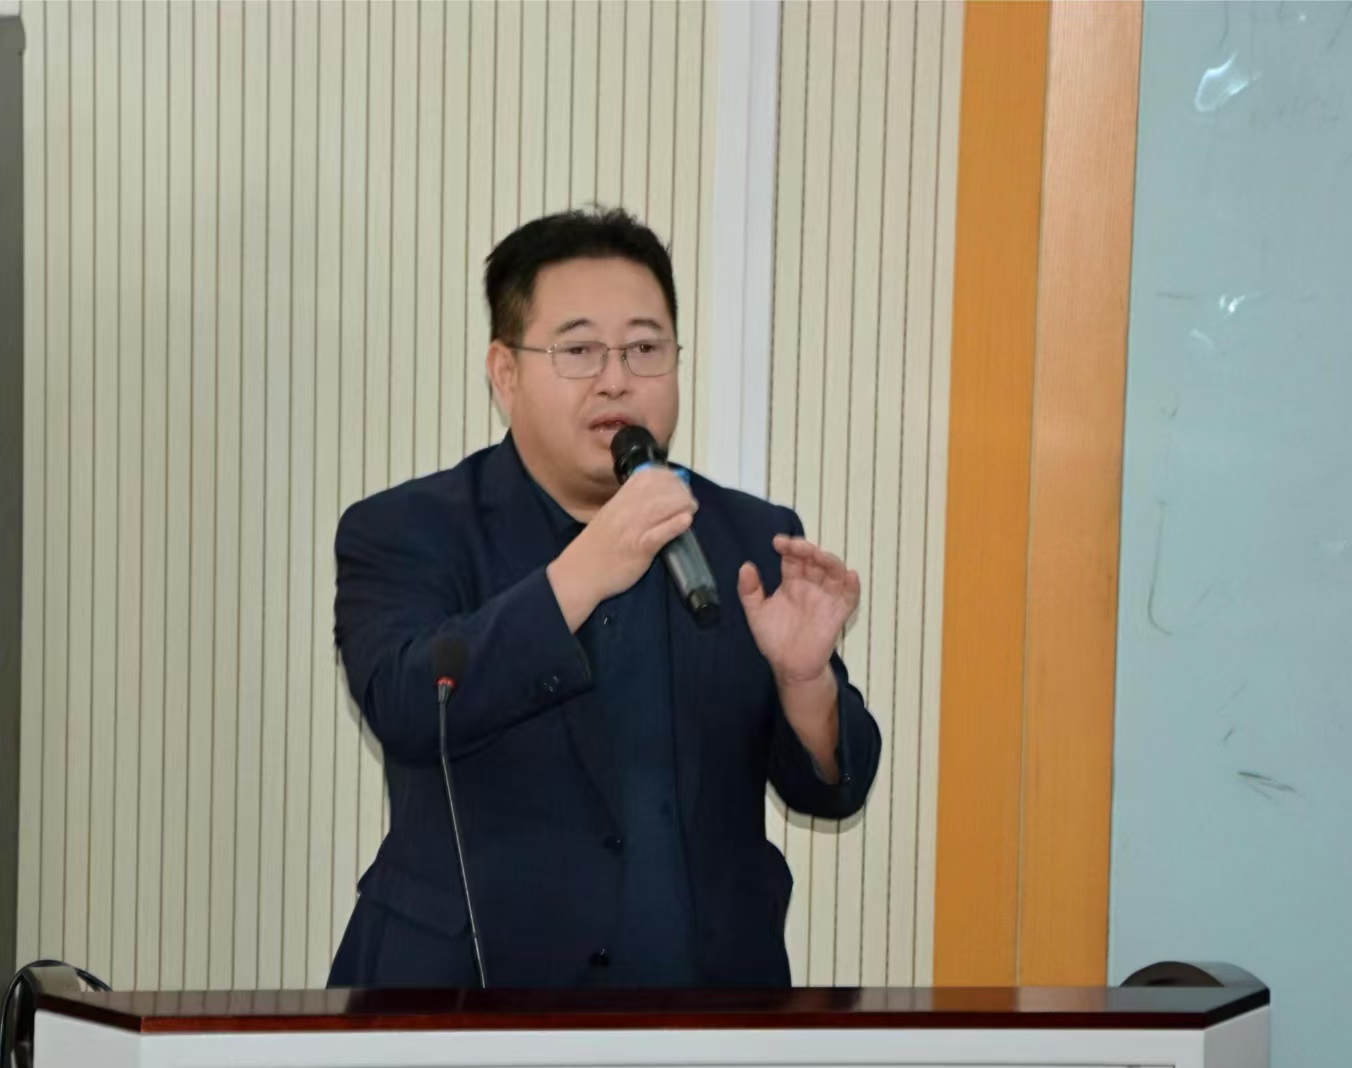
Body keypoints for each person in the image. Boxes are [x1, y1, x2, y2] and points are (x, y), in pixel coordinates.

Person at [326, 208, 882, 989]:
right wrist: (585, 571)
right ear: (505, 372)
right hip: (463, 1005)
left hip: (709, 1009)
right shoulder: (406, 529)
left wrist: (804, 682)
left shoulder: (747, 538)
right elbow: (412, 704)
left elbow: (833, 786)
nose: (616, 378)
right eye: (579, 349)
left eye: (645, 348)